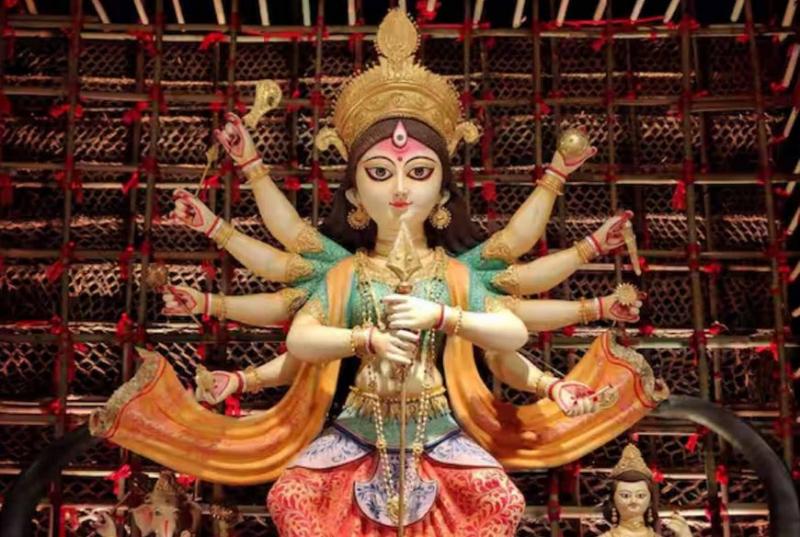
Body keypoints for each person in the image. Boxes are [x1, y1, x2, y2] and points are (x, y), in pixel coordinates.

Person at [89, 9, 668, 536]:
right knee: (291, 498)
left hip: (436, 428)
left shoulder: (455, 275)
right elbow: (300, 339)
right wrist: (363, 338)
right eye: (380, 172)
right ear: (354, 194)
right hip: (358, 428)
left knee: (500, 503)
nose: (399, 189)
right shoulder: (345, 274)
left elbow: (510, 336)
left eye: (418, 172)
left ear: (443, 192)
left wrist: (453, 323)